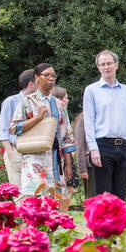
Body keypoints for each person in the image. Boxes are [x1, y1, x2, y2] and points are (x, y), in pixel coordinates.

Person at [82, 50, 126, 201]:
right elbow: (89, 122)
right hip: (102, 146)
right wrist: (93, 148)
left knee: (120, 196)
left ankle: (119, 225)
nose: (106, 67)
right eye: (102, 64)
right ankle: (103, 225)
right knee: (105, 196)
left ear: (116, 65)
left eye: (109, 63)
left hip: (123, 147)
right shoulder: (91, 91)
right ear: (98, 68)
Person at [12, 63, 76, 200]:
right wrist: (38, 118)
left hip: (56, 160)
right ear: (37, 78)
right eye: (46, 75)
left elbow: (67, 135)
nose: (51, 78)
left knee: (55, 200)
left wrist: (69, 163)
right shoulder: (27, 101)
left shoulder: (59, 105)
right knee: (35, 200)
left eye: (53, 76)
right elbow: (14, 127)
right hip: (33, 158)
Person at [0, 69, 36, 187]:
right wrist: (10, 152)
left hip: (34, 151)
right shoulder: (11, 102)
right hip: (16, 150)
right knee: (19, 190)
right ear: (31, 84)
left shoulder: (38, 102)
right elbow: (3, 129)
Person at [51, 86, 79, 211]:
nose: (67, 100)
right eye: (66, 98)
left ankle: (63, 214)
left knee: (67, 187)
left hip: (64, 156)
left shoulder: (64, 114)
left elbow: (67, 139)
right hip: (56, 156)